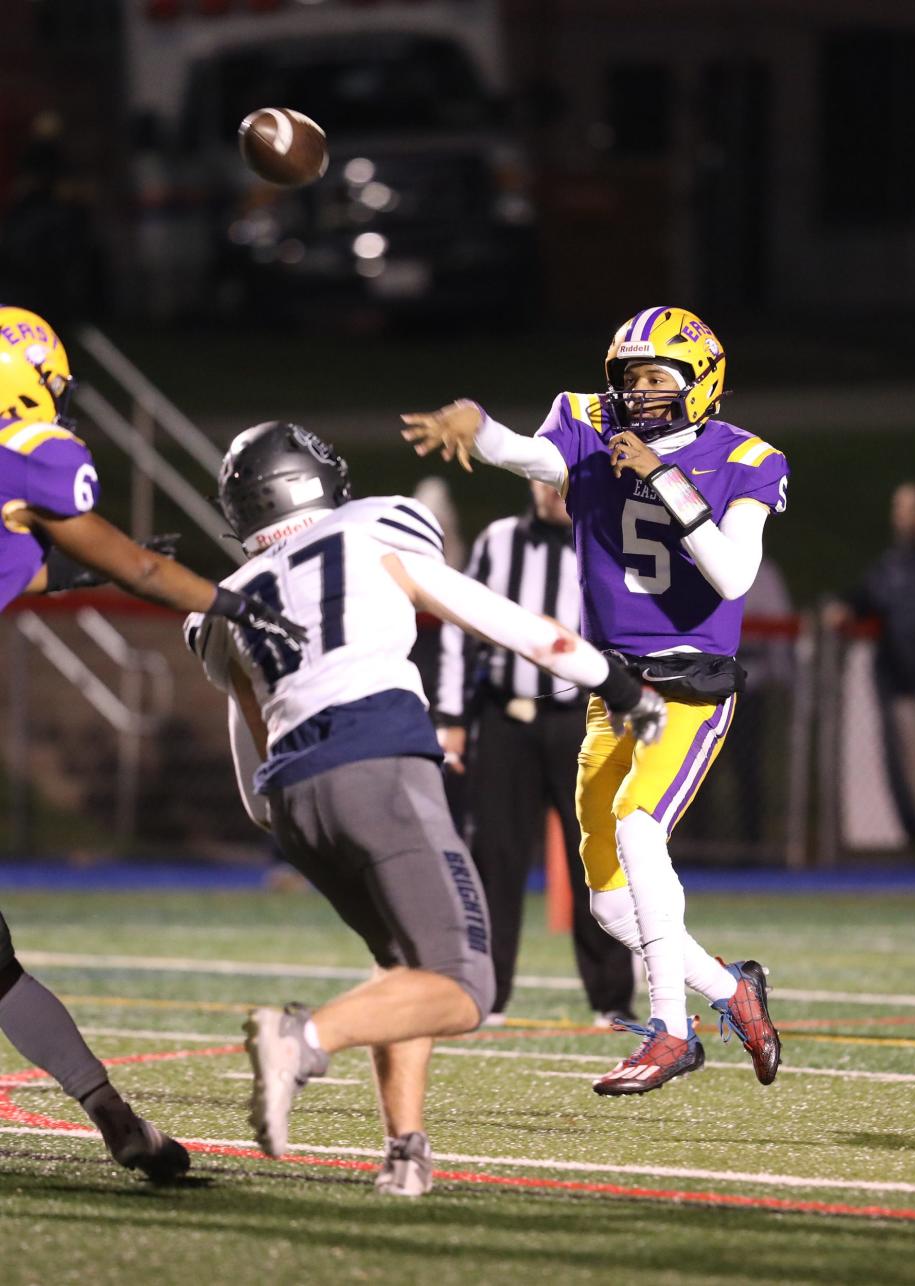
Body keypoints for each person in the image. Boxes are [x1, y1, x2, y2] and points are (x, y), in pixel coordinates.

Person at [184, 420, 666, 1194]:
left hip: (295, 801)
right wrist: (617, 685)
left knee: (403, 966)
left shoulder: (227, 602)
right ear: (316, 478)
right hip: (377, 763)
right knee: (466, 989)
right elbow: (501, 621)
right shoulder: (378, 524)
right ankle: (301, 1038)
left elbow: (254, 789)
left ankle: (404, 1147)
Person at [401, 304, 789, 1095]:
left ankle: (672, 1034)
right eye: (629, 377)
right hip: (614, 689)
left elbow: (733, 575)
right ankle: (731, 990)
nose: (639, 392)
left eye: (656, 377)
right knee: (613, 906)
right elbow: (537, 460)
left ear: (700, 380)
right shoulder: (586, 419)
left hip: (689, 686)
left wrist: (658, 475)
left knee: (641, 832)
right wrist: (482, 429)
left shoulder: (748, 458)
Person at [0, 305, 305, 1180]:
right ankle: (112, 1115)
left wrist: (71, 570)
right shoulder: (39, 453)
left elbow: (27, 556)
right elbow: (139, 568)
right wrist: (235, 602)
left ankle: (115, 1115)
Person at [436, 479, 635, 1024]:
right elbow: (459, 624)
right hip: (505, 717)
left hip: (581, 720)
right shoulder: (497, 540)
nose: (552, 491)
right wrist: (452, 716)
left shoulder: (609, 541)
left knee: (593, 854)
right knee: (495, 856)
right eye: (543, 478)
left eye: (563, 480)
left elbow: (628, 629)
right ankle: (488, 995)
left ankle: (612, 998)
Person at [823, 482, 915, 862]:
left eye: (906, 508)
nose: (898, 517)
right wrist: (844, 608)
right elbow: (864, 597)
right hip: (908, 687)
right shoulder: (895, 562)